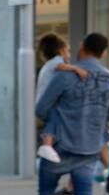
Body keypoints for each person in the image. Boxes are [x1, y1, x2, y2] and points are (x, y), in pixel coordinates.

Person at [34, 32, 109, 195]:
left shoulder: (64, 76)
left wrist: (55, 122)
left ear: (81, 47)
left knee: (48, 192)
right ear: (104, 53)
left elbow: (41, 108)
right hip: (89, 147)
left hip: (59, 145)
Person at [36, 33, 90, 164]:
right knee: (53, 119)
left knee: (54, 121)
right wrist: (77, 69)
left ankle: (50, 145)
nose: (69, 54)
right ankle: (47, 145)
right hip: (46, 103)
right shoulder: (56, 61)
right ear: (61, 51)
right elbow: (60, 66)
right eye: (68, 50)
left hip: (43, 102)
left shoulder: (48, 64)